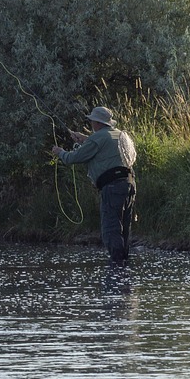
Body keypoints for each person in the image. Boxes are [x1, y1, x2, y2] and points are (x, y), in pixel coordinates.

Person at [51, 106, 137, 263]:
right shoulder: (119, 134)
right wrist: (85, 139)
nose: (90, 123)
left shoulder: (97, 138)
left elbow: (73, 158)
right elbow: (104, 146)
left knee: (111, 229)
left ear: (97, 123)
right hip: (129, 184)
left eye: (91, 121)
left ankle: (117, 269)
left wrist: (60, 152)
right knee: (123, 228)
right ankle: (124, 268)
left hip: (112, 187)